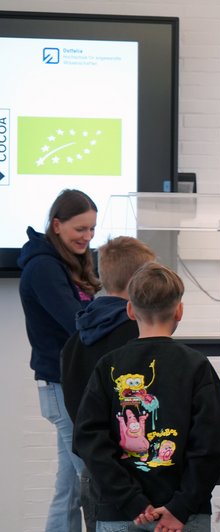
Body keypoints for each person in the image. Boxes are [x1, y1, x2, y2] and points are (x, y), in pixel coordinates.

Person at [73, 263, 220, 532]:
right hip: (184, 516)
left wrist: (131, 501)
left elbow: (88, 440)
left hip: (121, 512)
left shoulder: (108, 366)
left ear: (130, 310)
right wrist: (181, 507)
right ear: (179, 310)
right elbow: (210, 446)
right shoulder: (197, 367)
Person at [18, 189, 102, 532]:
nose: (88, 237)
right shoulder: (43, 268)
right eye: (80, 229)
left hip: (71, 385)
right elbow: (77, 322)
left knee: (68, 489)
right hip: (60, 386)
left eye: (92, 229)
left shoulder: (71, 263)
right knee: (92, 482)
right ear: (56, 225)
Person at [60, 236, 157, 531]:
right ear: (138, 283)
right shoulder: (139, 336)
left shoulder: (75, 341)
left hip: (97, 468)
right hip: (139, 466)